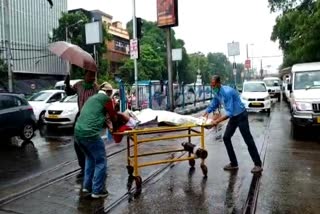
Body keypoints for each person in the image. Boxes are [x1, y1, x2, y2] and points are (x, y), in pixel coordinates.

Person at [203, 75, 263, 173]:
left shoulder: (227, 92)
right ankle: (234, 163)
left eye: (213, 85)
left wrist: (216, 121)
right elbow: (215, 102)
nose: (212, 87)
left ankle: (258, 164)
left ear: (218, 83)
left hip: (241, 115)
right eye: (211, 85)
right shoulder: (217, 91)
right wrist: (206, 113)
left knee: (248, 139)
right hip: (234, 117)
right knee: (226, 137)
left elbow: (229, 112)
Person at [74, 82, 117, 198]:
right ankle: (97, 191)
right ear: (108, 92)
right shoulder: (106, 99)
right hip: (90, 135)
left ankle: (86, 187)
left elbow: (95, 115)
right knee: (101, 161)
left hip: (77, 134)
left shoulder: (92, 98)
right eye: (111, 93)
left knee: (90, 159)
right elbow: (113, 116)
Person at [64, 70, 99, 178]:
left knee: (91, 143)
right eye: (90, 75)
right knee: (78, 143)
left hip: (91, 117)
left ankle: (93, 166)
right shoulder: (78, 85)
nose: (92, 77)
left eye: (94, 75)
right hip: (80, 116)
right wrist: (67, 84)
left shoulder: (95, 88)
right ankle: (83, 168)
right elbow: (69, 92)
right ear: (85, 75)